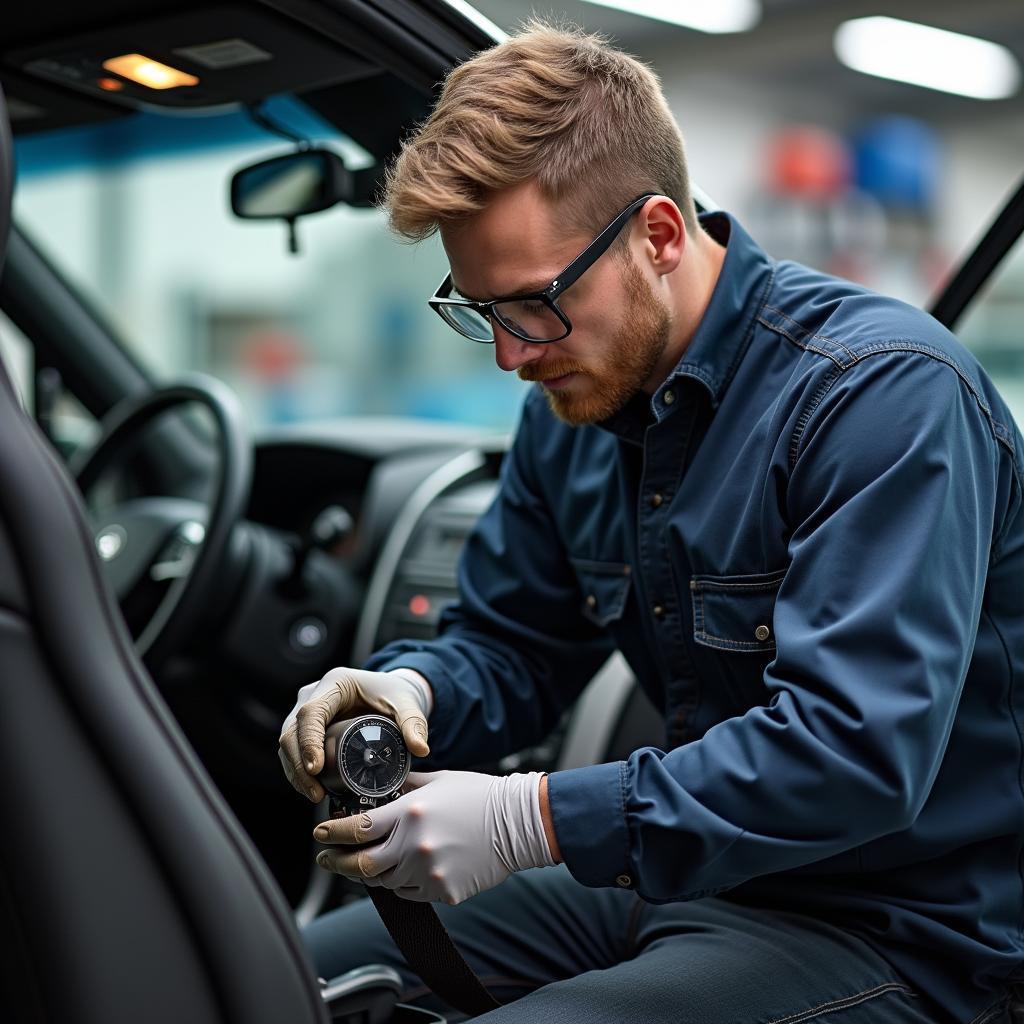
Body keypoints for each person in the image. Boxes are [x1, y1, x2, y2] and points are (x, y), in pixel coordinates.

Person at [277, 22, 1024, 1024]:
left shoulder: (879, 396)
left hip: (902, 925)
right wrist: (409, 691)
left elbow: (852, 753)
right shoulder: (576, 402)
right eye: (480, 309)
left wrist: (528, 817)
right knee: (255, 973)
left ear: (660, 235)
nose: (511, 356)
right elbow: (515, 645)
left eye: (534, 305)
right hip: (683, 877)